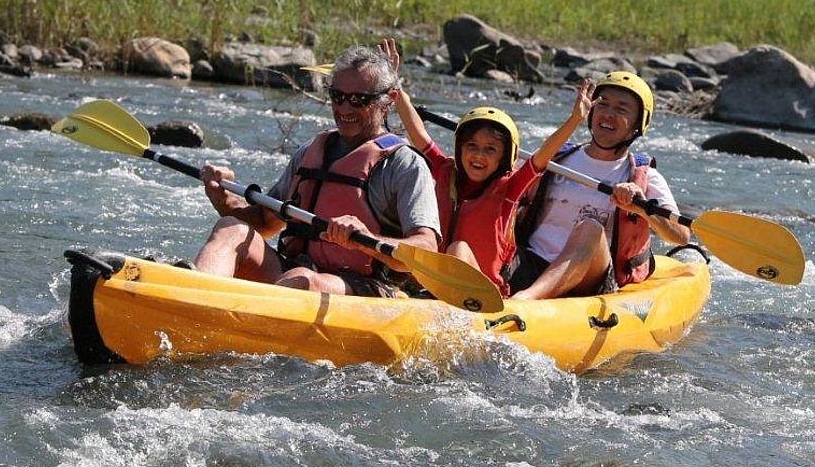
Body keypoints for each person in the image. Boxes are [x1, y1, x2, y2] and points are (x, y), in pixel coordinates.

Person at [195, 44, 441, 297]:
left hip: (368, 287)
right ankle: (193, 296)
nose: (344, 109)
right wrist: (224, 199)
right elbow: (266, 224)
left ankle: (238, 312)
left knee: (302, 279)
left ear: (387, 101)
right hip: (296, 274)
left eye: (359, 100)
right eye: (337, 96)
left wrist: (367, 240)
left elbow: (427, 249)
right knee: (230, 228)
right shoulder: (310, 152)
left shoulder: (405, 165)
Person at [378, 37, 593, 298]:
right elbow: (418, 132)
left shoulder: (510, 187)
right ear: (460, 148)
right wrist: (395, 85)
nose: (478, 155)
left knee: (458, 248)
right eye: (472, 146)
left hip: (482, 295)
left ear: (504, 157)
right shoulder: (444, 170)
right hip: (431, 285)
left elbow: (542, 156)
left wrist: (575, 120)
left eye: (490, 149)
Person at [508, 70, 691, 300]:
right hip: (530, 262)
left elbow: (682, 235)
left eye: (621, 109)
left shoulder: (644, 176)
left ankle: (526, 300)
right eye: (603, 104)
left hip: (591, 280)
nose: (608, 114)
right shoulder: (556, 157)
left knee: (590, 228)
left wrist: (642, 207)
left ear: (638, 123)